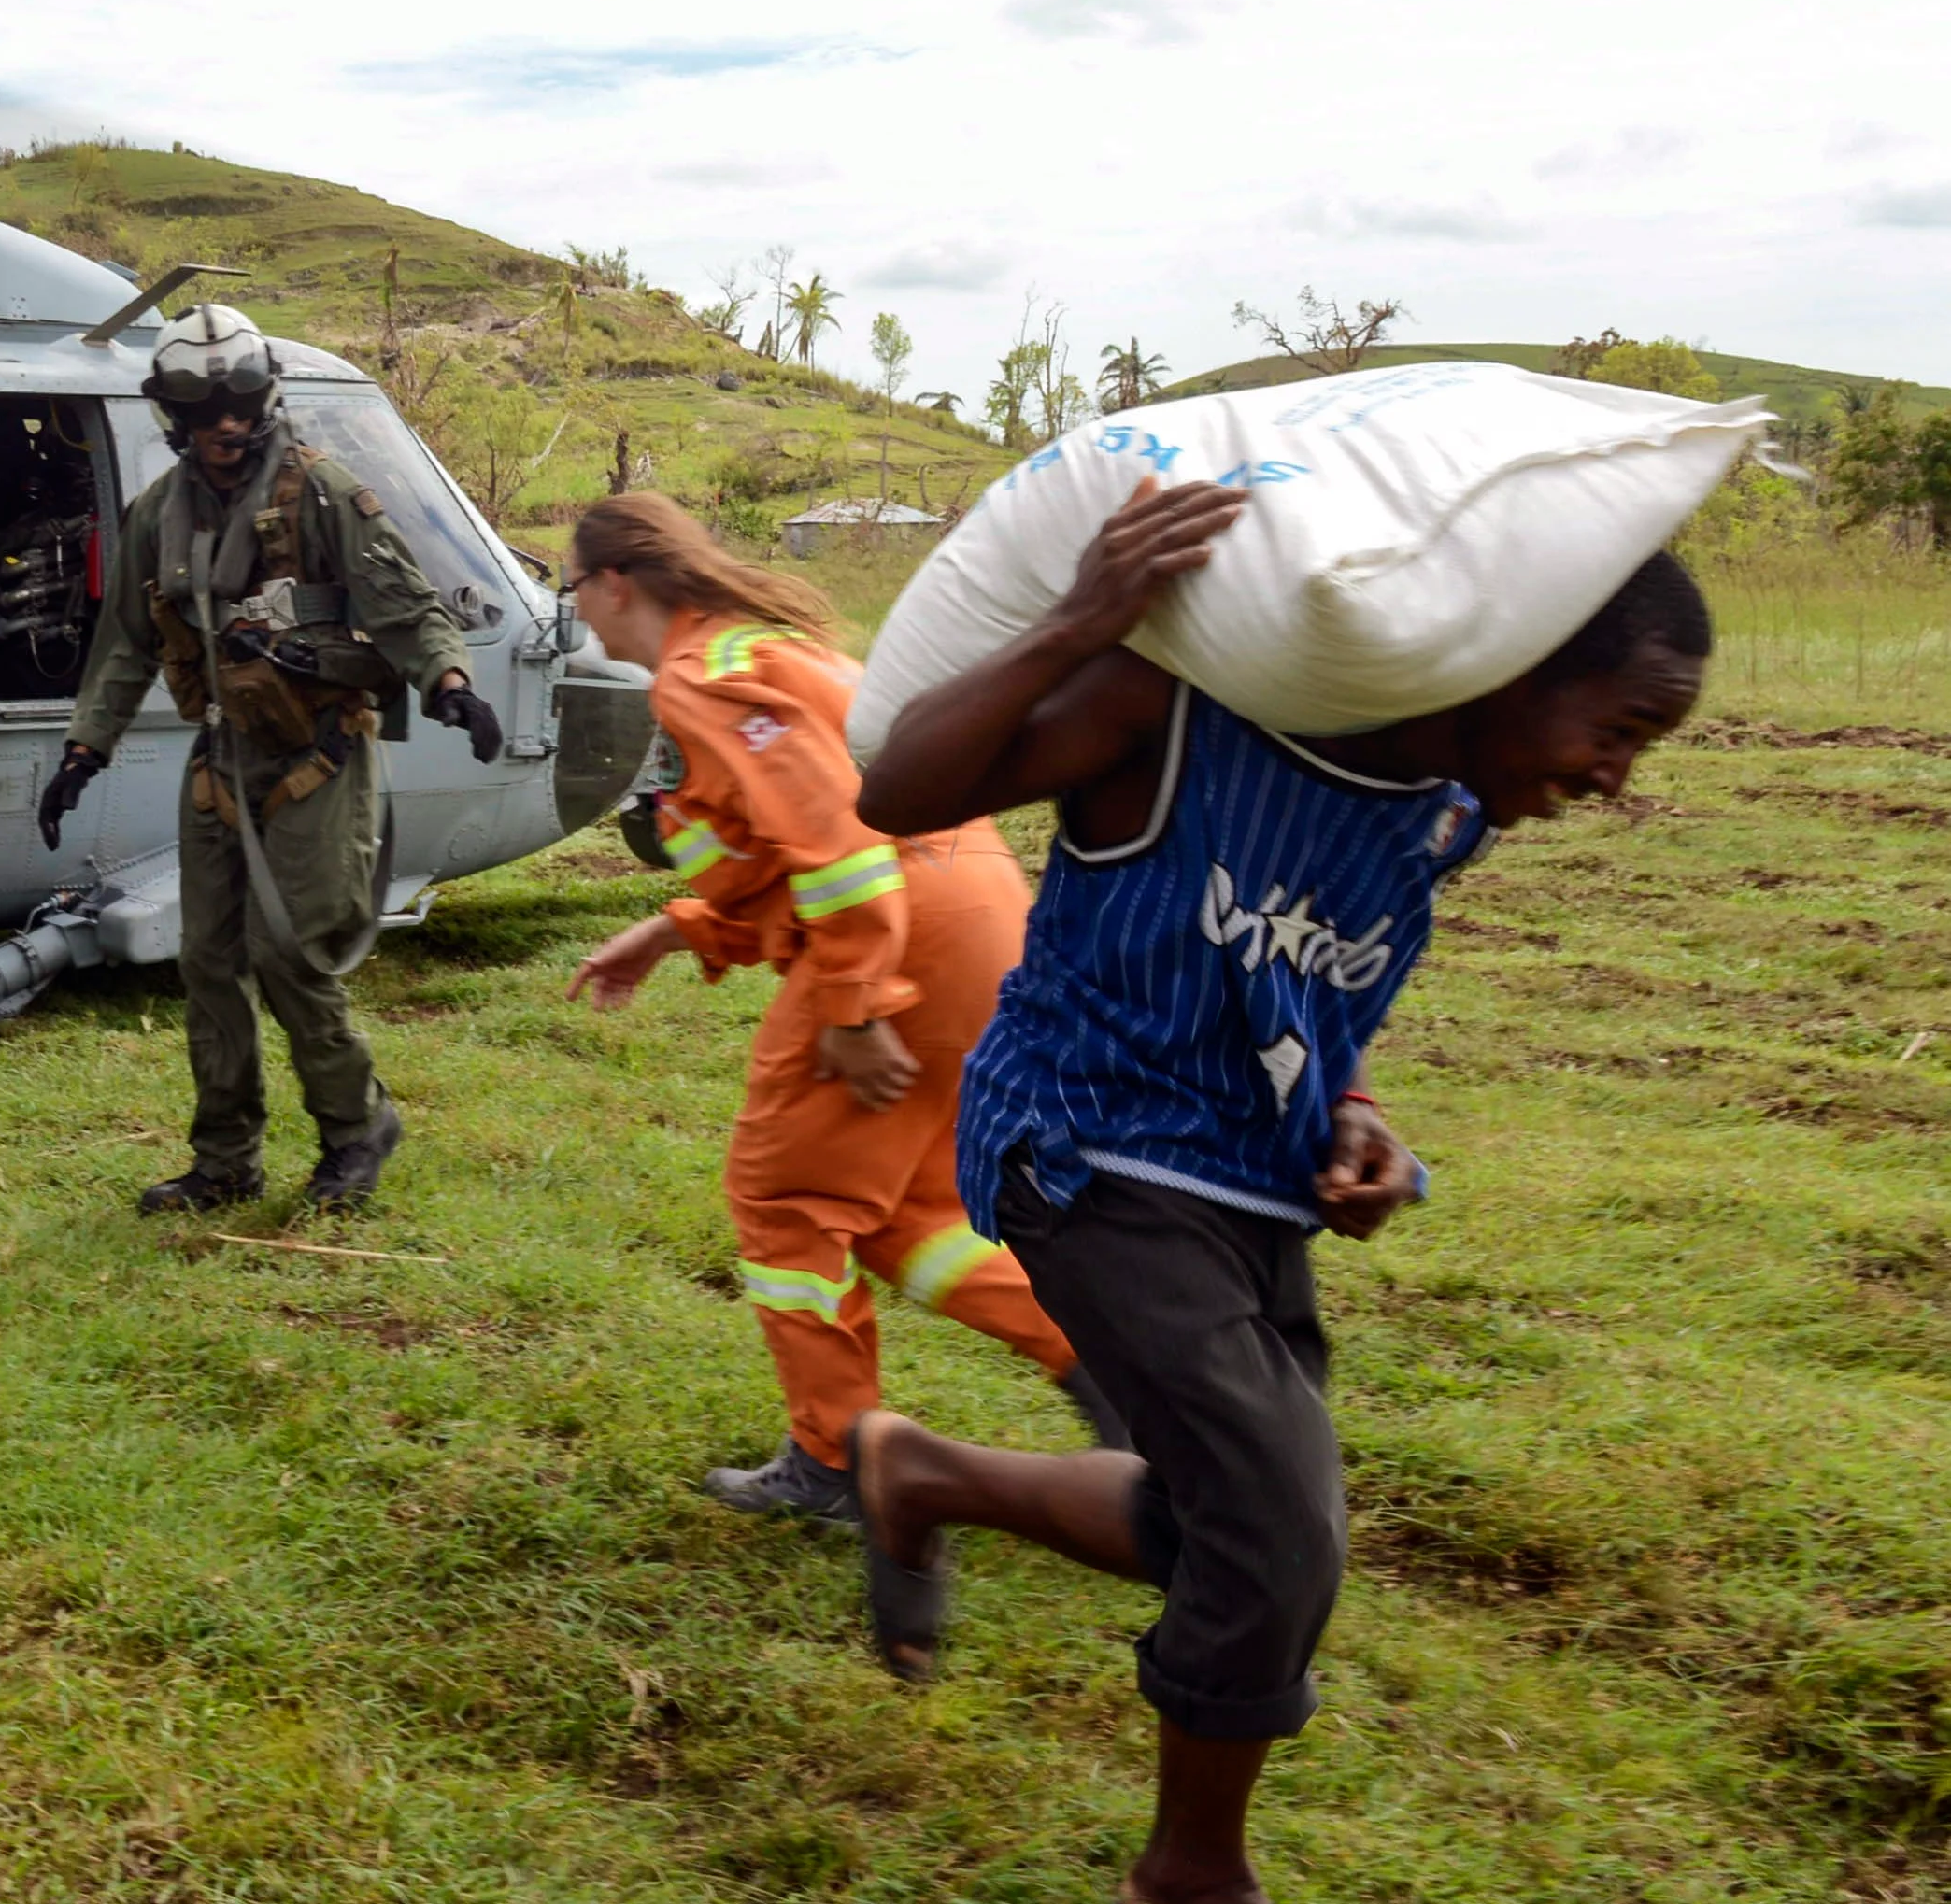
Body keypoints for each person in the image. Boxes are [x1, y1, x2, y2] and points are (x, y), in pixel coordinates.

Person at [844, 476, 1714, 1904]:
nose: (1620, 779)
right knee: (1280, 1525)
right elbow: (901, 792)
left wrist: (1358, 1111)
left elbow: (1321, 987)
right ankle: (1193, 1873)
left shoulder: (1444, 811)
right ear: (1506, 658)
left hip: (1248, 1185)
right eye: (1618, 730)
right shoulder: (1181, 711)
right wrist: (1079, 621)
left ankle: (925, 1472)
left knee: (1217, 1523)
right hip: (1087, 1144)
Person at [557, 494, 1128, 1526]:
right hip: (980, 918)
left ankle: (833, 1460)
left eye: (576, 590)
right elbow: (778, 850)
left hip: (900, 936)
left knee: (786, 1203)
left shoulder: (705, 680)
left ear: (613, 583)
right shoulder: (760, 648)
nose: (582, 619)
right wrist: (679, 927)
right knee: (913, 1214)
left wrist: (858, 1007)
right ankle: (1115, 1375)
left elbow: (843, 850)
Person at [38, 304, 503, 1214]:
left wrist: (450, 685)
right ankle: (225, 1162)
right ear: (171, 413)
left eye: (240, 402)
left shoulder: (324, 494)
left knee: (291, 952)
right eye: (201, 406)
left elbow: (407, 606)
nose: (225, 424)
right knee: (209, 963)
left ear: (265, 397)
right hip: (222, 760)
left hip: (321, 756)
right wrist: (83, 749)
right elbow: (127, 646)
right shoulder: (157, 517)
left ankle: (355, 1126)